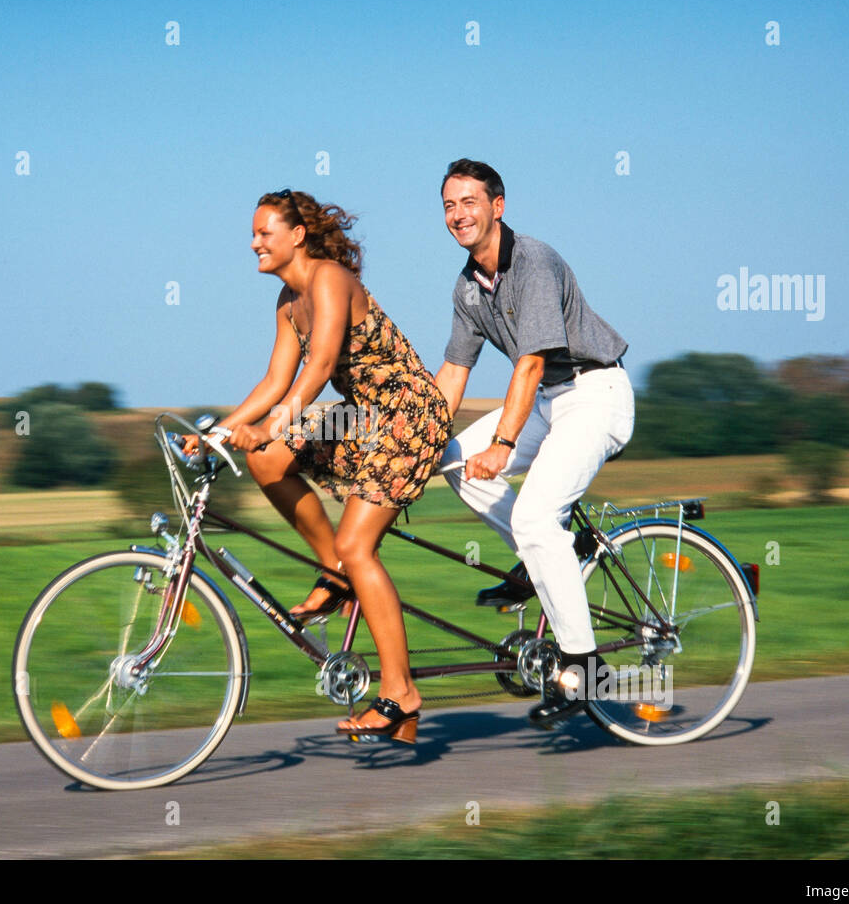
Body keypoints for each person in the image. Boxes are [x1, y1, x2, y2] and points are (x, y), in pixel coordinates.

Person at [187, 189, 450, 743]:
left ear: (297, 236)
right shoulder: (287, 300)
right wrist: (215, 435)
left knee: (360, 546)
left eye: (264, 233)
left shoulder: (329, 278)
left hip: (407, 417)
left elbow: (322, 362)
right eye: (253, 234)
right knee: (267, 459)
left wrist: (275, 423)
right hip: (361, 418)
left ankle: (400, 693)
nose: (253, 242)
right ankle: (338, 575)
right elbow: (274, 381)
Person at [432, 159, 635, 726]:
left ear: (498, 206)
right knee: (450, 463)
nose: (458, 214)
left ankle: (584, 668)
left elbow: (531, 360)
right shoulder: (468, 288)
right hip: (549, 401)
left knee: (534, 515)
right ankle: (546, 558)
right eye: (449, 205)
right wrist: (418, 441)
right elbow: (452, 371)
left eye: (469, 202)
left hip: (596, 395)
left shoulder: (534, 261)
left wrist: (502, 442)